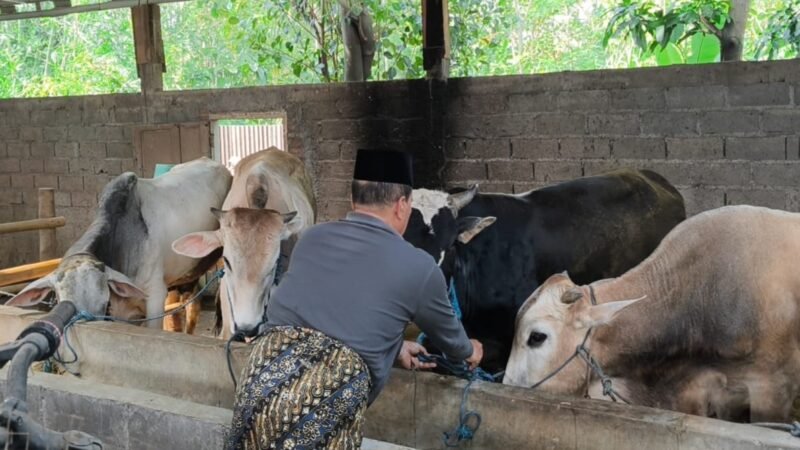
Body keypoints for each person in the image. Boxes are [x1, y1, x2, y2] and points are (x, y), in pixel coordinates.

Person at [225, 149, 483, 450]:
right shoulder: (420, 268)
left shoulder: (312, 238)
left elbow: (328, 313)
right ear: (402, 206)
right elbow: (454, 344)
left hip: (256, 388)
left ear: (352, 201)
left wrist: (394, 346)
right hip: (318, 411)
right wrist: (472, 351)